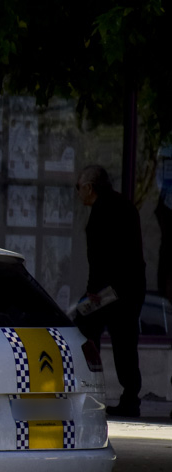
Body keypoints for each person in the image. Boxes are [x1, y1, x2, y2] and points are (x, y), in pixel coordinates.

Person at [74, 165, 145, 417]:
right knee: (125, 344)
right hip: (131, 288)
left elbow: (100, 258)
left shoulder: (100, 213)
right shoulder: (126, 207)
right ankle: (130, 399)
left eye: (79, 187)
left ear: (90, 188)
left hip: (109, 293)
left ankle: (83, 390)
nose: (78, 193)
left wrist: (93, 291)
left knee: (83, 334)